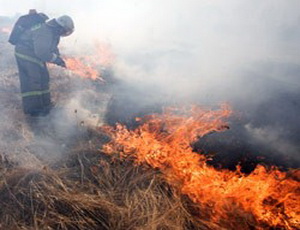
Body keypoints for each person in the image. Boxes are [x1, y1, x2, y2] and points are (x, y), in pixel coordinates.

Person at [11, 10, 74, 116]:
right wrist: (56, 60)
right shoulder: (45, 31)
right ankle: (33, 110)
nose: (64, 34)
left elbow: (52, 48)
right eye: (64, 31)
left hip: (35, 55)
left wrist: (60, 59)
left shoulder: (53, 33)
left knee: (44, 78)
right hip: (26, 53)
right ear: (59, 26)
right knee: (34, 80)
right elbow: (42, 52)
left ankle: (45, 104)